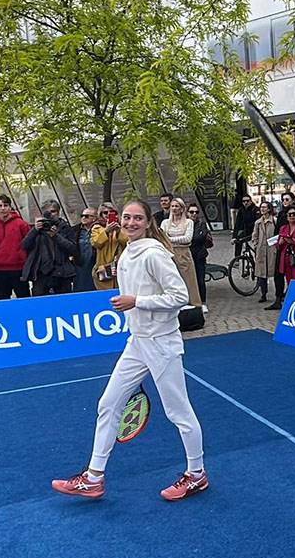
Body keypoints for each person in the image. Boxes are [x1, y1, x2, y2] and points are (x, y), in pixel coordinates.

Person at [51, 200, 207, 501]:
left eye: (137, 218)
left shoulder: (155, 254)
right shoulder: (127, 253)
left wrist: (138, 301)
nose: (131, 222)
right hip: (137, 342)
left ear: (148, 222)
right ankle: (94, 477)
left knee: (179, 412)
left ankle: (197, 474)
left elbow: (180, 296)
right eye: (126, 217)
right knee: (108, 404)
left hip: (161, 343)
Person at [159, 198, 204, 308]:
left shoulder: (188, 222)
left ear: (182, 209)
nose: (174, 208)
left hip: (184, 254)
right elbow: (162, 238)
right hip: (169, 254)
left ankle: (195, 305)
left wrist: (170, 239)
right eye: (172, 206)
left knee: (189, 281)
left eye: (177, 206)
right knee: (171, 281)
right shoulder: (165, 223)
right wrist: (170, 240)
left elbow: (188, 239)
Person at [0, 195, 32, 299]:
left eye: (5, 205)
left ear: (10, 207)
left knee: (23, 299)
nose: (3, 208)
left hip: (18, 268)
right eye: (0, 205)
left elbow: (28, 244)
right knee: (2, 300)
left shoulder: (21, 224)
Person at [91, 202, 125, 290]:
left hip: (119, 267)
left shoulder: (122, 227)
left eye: (112, 212)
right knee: (105, 296)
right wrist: (106, 231)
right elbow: (96, 243)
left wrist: (118, 232)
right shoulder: (96, 227)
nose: (108, 215)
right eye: (105, 213)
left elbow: (127, 243)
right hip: (103, 268)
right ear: (100, 214)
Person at [187, 204, 211, 311]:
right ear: (187, 213)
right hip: (187, 256)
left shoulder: (202, 224)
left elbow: (199, 237)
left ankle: (203, 302)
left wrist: (187, 239)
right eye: (191, 212)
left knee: (200, 279)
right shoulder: (185, 224)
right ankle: (191, 301)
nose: (194, 214)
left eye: (196, 212)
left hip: (199, 256)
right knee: (189, 280)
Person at [251, 201, 277, 302]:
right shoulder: (258, 222)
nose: (262, 209)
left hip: (272, 250)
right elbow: (255, 235)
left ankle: (278, 294)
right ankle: (263, 294)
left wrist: (275, 246)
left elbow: (278, 234)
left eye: (265, 207)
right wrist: (256, 245)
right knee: (262, 274)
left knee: (274, 272)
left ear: (269, 209)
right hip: (261, 250)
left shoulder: (274, 221)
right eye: (261, 207)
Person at [70, 207, 98, 292]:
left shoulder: (99, 229)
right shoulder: (75, 230)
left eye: (87, 216)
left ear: (94, 218)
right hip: (79, 264)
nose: (83, 218)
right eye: (82, 216)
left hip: (94, 264)